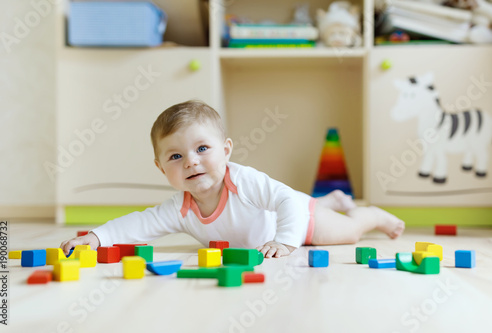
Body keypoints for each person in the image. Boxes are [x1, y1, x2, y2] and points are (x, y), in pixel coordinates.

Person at [60, 100, 404, 258]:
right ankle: (331, 201)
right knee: (310, 207)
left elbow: (285, 201)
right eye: (176, 156)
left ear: (226, 151)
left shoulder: (243, 181)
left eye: (202, 149)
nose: (191, 162)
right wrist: (96, 237)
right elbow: (138, 226)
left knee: (347, 233)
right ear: (161, 168)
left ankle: (371, 214)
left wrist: (286, 241)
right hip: (280, 218)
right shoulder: (179, 208)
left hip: (299, 217)